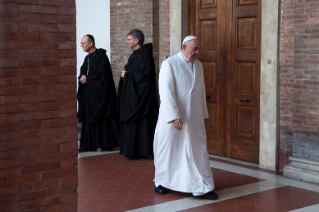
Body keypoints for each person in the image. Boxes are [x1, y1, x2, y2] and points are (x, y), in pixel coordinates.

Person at [153, 35, 218, 200]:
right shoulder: (169, 64)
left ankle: (202, 186)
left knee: (198, 150)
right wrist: (174, 116)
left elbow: (201, 91)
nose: (197, 52)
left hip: (194, 119)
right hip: (173, 118)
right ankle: (161, 182)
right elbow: (166, 92)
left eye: (198, 49)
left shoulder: (199, 65)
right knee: (169, 151)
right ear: (184, 47)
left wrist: (203, 114)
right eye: (194, 49)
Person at [118, 29, 158, 159]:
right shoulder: (135, 54)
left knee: (143, 124)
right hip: (133, 96)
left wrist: (127, 75)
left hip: (142, 98)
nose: (127, 42)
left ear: (136, 40)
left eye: (129, 39)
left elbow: (145, 77)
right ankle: (133, 150)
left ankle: (143, 151)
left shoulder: (145, 55)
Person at [77, 34, 119, 152]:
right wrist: (81, 78)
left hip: (100, 96)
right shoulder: (88, 58)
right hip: (89, 95)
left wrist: (88, 79)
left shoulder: (101, 57)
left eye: (83, 43)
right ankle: (88, 144)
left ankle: (106, 143)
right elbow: (83, 73)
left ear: (90, 44)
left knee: (103, 117)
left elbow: (103, 77)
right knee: (88, 117)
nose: (81, 46)